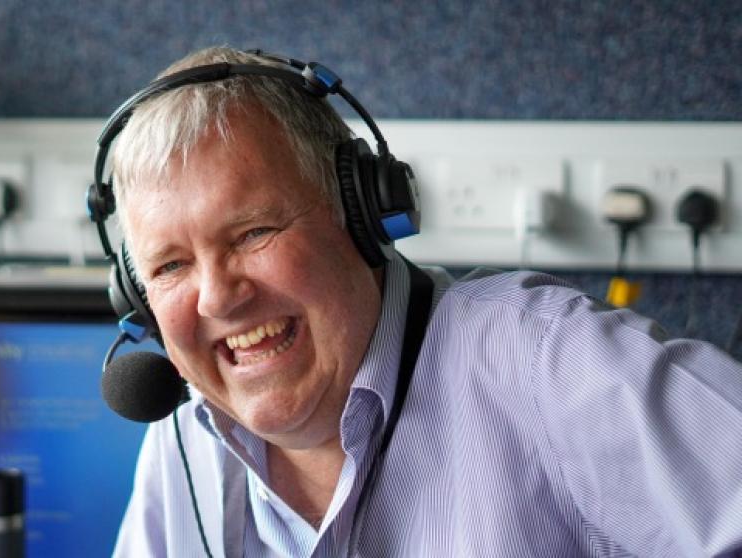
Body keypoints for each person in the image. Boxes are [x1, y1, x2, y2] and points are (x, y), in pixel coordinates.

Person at [104, 47, 742, 557]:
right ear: (137, 295)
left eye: (253, 233)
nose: (217, 295)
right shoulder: (188, 439)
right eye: (171, 265)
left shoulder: (544, 358)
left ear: (361, 214)